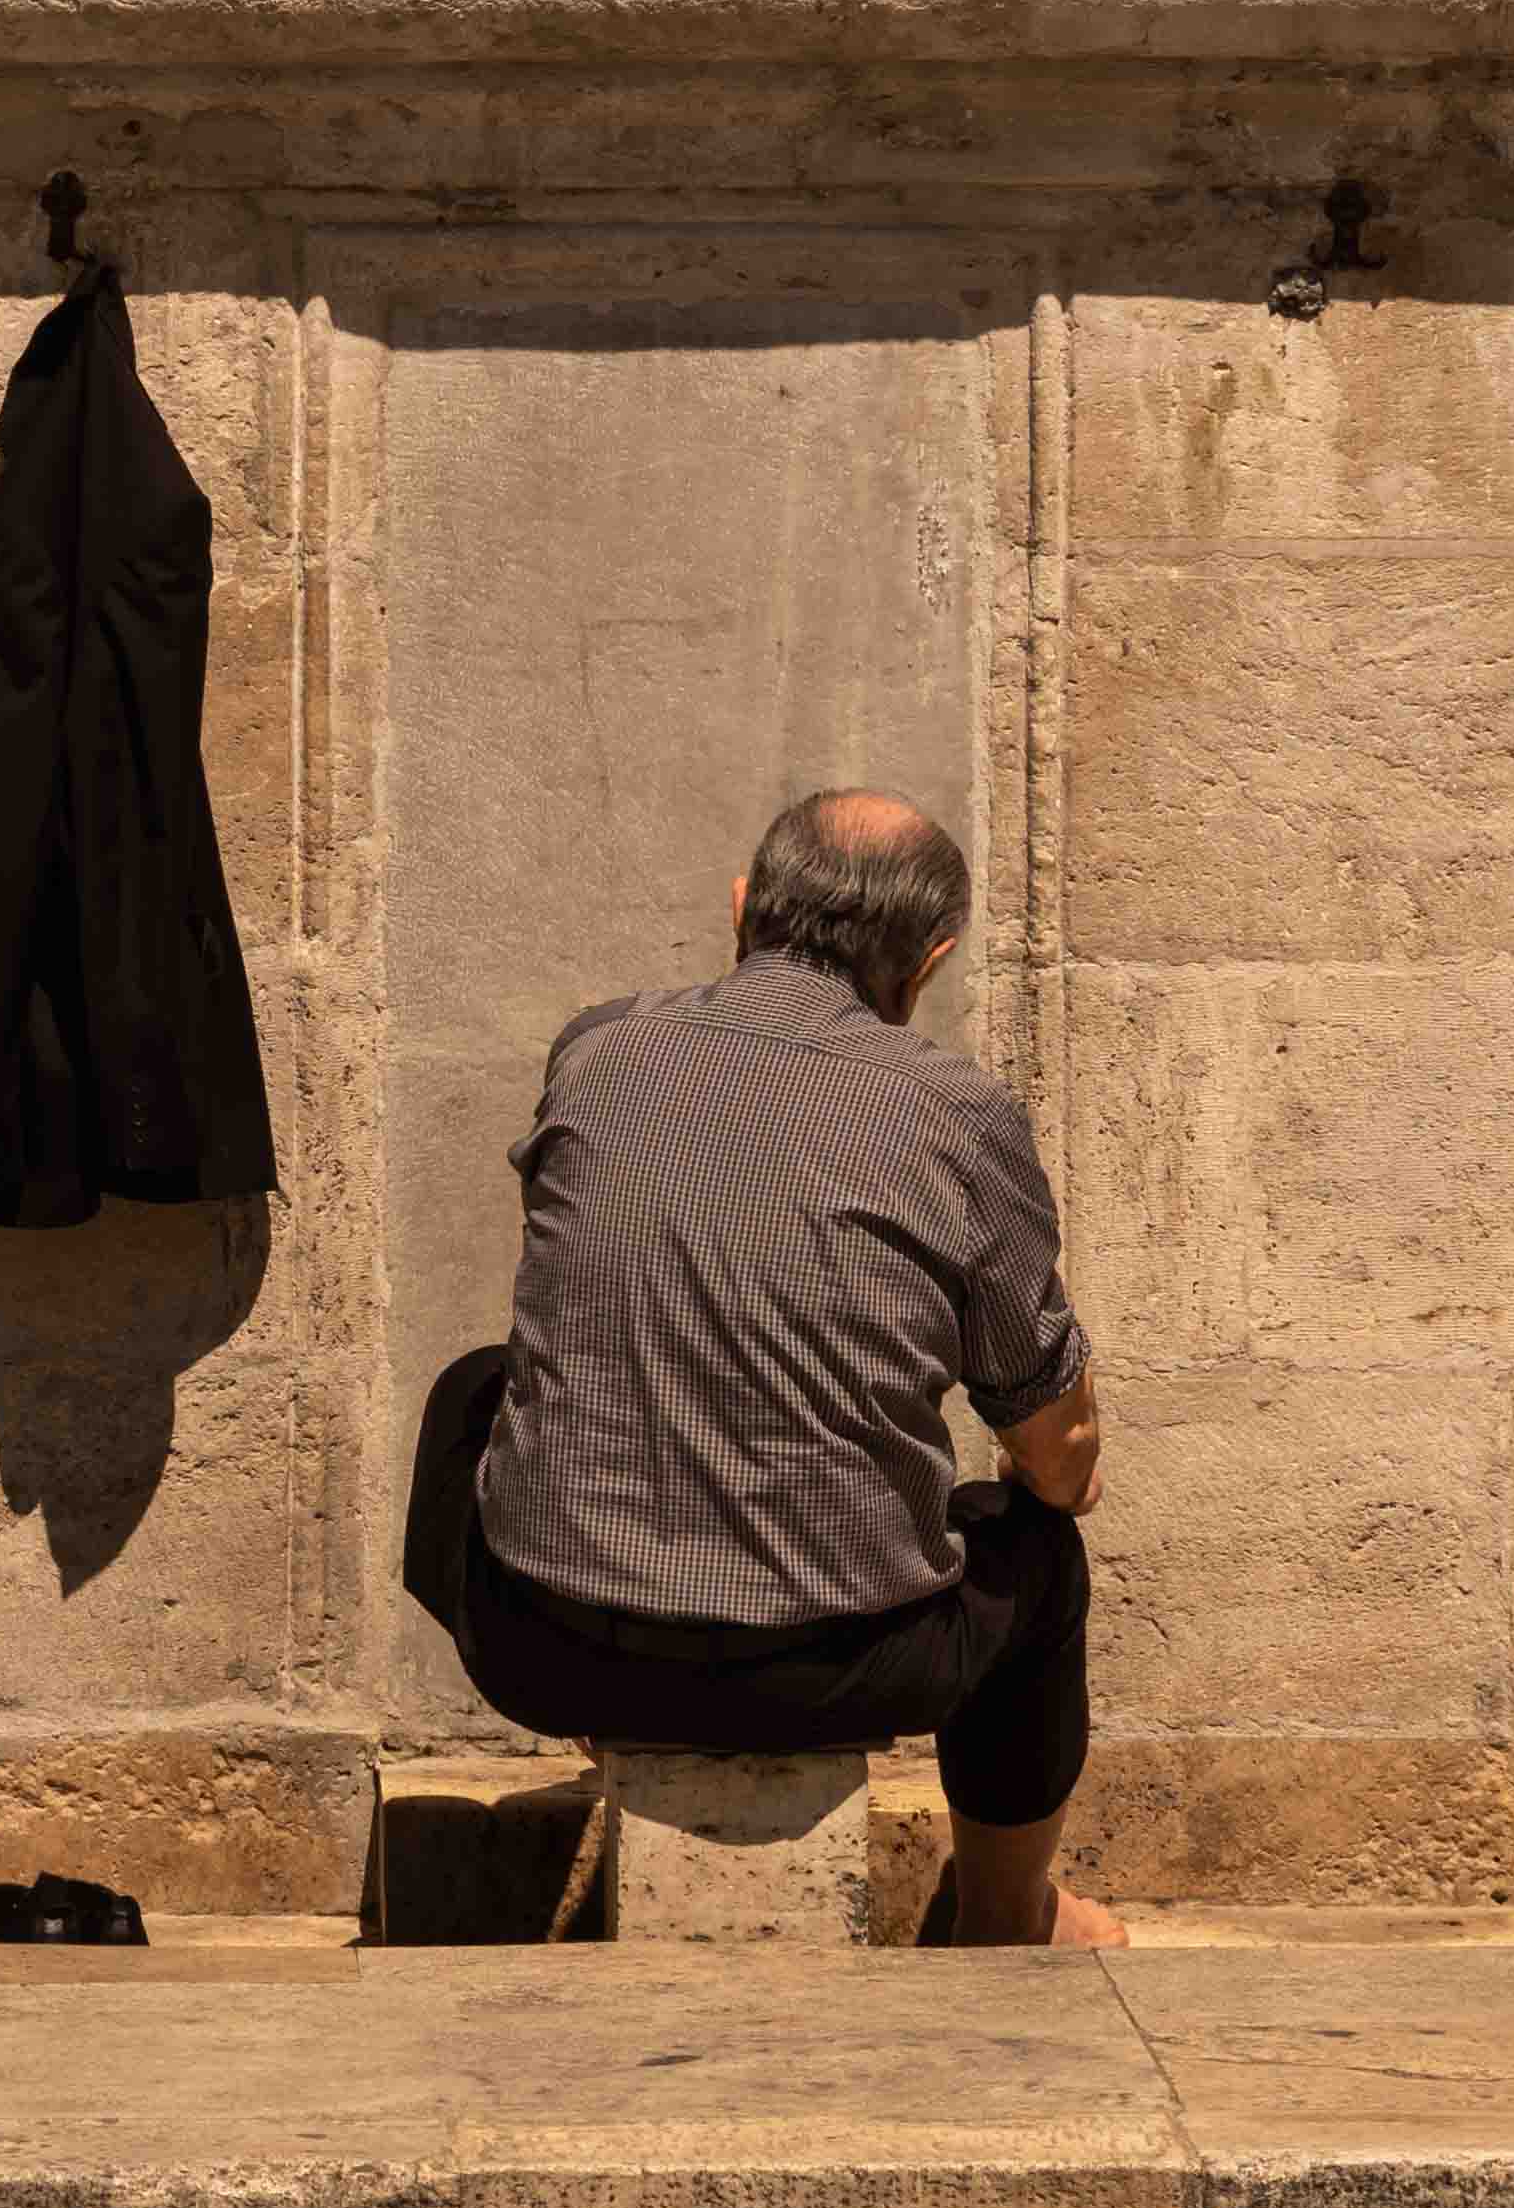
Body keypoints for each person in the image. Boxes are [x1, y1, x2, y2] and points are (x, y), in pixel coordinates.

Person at [407, 788, 1113, 1946]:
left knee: (471, 1390)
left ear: (741, 908)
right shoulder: (961, 1115)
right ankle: (1006, 1916)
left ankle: (621, 1719)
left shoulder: (598, 1048)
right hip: (840, 1669)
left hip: (549, 1650)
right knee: (1040, 1559)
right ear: (931, 958)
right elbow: (1054, 1448)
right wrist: (1051, 1469)